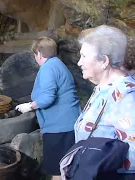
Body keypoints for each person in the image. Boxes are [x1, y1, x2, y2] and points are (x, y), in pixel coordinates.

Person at [74, 25, 135, 179]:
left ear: (104, 61)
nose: (79, 62)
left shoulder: (126, 95)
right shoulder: (102, 88)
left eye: (84, 56)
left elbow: (133, 156)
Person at [15, 36, 81, 180]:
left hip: (59, 128)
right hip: (68, 124)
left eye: (34, 54)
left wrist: (29, 106)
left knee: (57, 170)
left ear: (39, 53)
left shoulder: (48, 68)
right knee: (66, 168)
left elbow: (47, 98)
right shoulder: (58, 64)